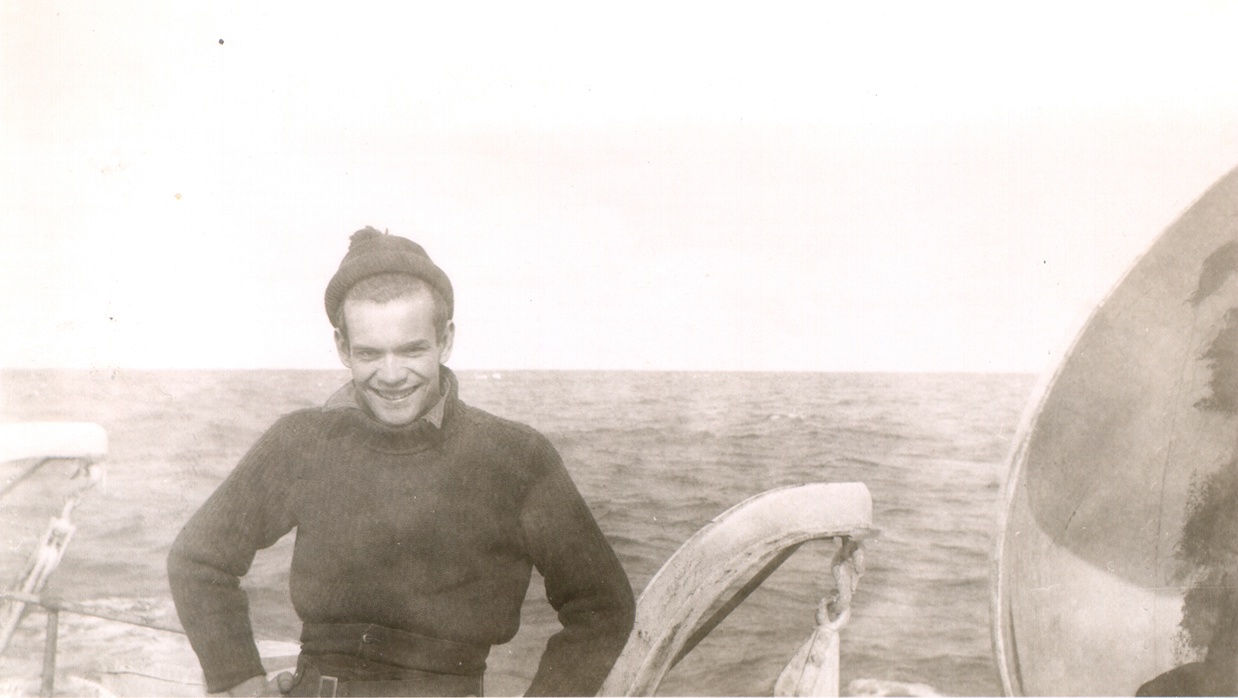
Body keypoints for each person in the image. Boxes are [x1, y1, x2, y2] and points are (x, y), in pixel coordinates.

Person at [168, 227, 636, 697]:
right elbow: (197, 559)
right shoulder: (302, 441)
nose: (391, 375)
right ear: (343, 349)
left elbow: (603, 607)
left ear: (445, 341)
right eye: (370, 353)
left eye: (412, 349)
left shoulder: (517, 456)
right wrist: (238, 677)